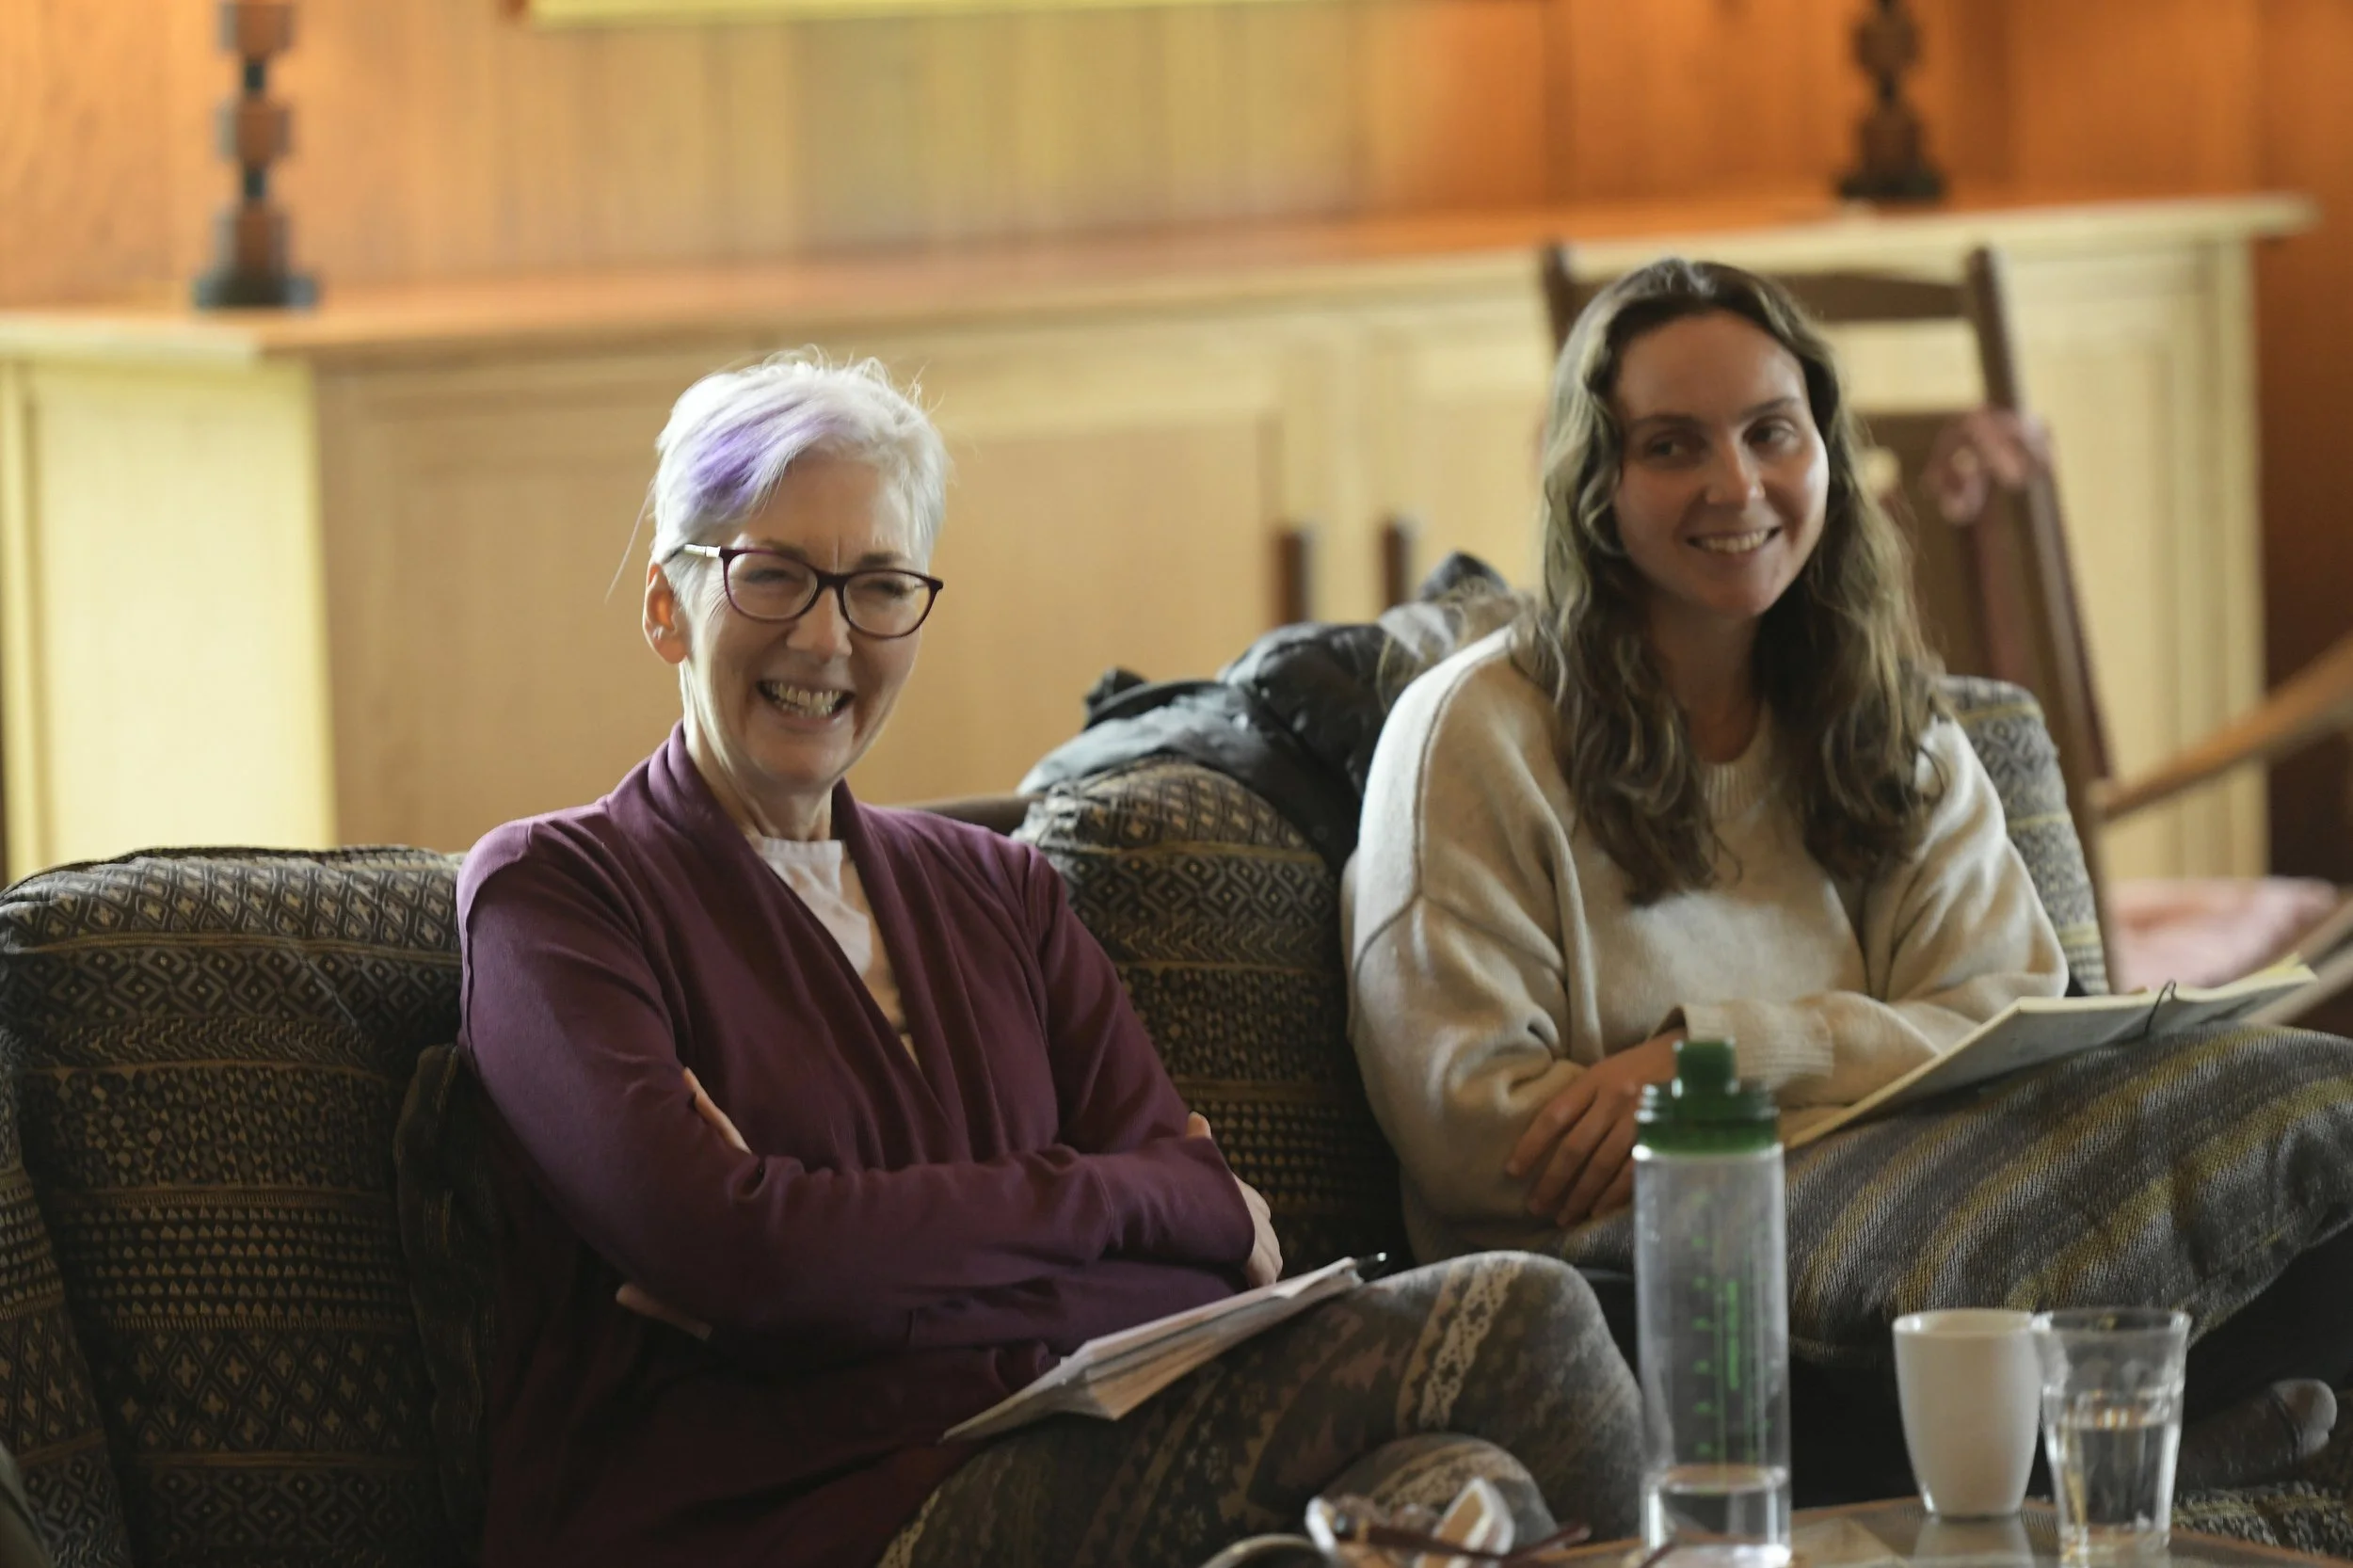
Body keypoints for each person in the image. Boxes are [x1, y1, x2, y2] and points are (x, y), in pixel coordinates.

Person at [456, 353, 1644, 1568]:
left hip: (1060, 1448)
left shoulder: (1000, 887)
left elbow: (1212, 1241)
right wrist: (1112, 1197)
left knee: (1462, 1486)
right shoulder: (556, 898)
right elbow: (748, 1255)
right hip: (794, 1518)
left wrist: (847, 1269)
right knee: (1527, 1319)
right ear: (667, 603)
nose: (825, 635)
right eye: (773, 577)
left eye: (877, 586)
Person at [1345, 257, 2345, 1496]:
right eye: (1670, 446)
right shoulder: (1473, 733)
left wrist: (1708, 1067)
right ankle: (2139, 1459)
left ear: (1825, 447)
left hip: (1924, 1217)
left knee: (2305, 1122)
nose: (1737, 484)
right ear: (1595, 487)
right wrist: (1874, 1081)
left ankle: (2134, 1458)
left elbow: (2007, 1016)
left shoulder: (1893, 716)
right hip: (1635, 1282)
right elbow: (1478, 1133)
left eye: (1773, 432)